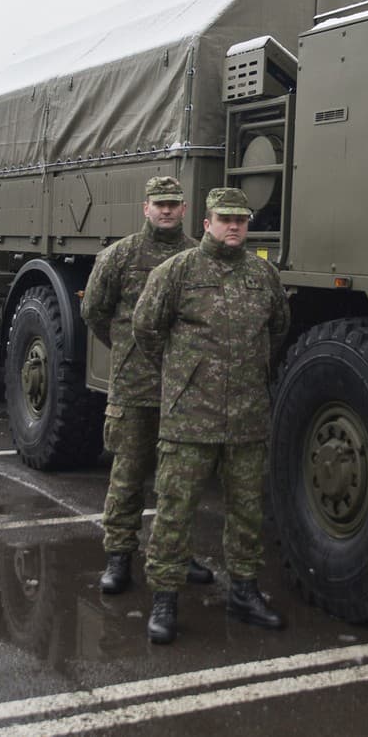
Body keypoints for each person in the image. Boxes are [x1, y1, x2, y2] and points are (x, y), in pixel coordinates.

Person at [133, 186, 290, 644]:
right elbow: (146, 328)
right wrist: (183, 373)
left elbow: (277, 328)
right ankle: (164, 597)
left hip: (246, 417)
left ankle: (244, 591)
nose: (235, 226)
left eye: (241, 219)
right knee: (174, 510)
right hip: (190, 418)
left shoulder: (264, 276)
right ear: (206, 223)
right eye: (226, 219)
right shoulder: (177, 271)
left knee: (246, 511)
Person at [80, 176, 213, 595]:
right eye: (160, 204)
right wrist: (127, 348)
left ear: (184, 208)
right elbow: (95, 313)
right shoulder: (119, 257)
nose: (167, 210)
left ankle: (177, 553)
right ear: (146, 208)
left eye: (174, 203)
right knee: (128, 475)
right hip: (134, 388)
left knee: (181, 483)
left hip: (183, 390)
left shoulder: (198, 257)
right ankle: (119, 557)